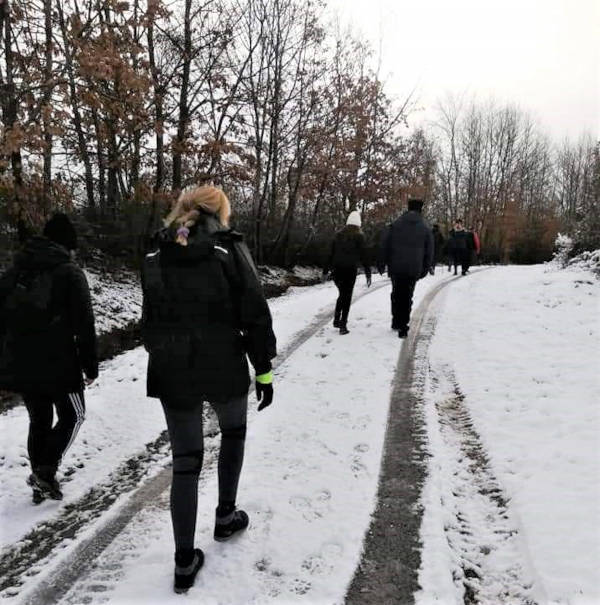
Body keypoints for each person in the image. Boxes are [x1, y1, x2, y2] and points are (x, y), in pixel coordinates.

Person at [141, 185, 277, 594]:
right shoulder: (227, 247)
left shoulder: (156, 250)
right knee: (233, 433)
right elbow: (254, 308)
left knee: (185, 461)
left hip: (171, 364)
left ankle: (184, 561)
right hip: (223, 362)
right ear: (220, 212)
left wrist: (160, 349)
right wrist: (263, 369)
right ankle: (225, 516)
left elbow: (150, 314)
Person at [0, 213, 98, 504]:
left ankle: (41, 479)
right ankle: (45, 471)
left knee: (39, 420)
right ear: (67, 244)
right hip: (61, 363)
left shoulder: (15, 271)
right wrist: (90, 367)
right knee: (74, 415)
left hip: (21, 362)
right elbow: (85, 325)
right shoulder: (69, 273)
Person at [377, 198, 434, 338]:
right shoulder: (425, 228)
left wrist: (382, 263)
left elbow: (384, 244)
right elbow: (429, 250)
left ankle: (396, 321)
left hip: (396, 266)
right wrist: (425, 268)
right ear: (420, 209)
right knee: (408, 295)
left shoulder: (396, 224)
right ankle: (403, 325)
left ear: (408, 208)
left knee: (396, 293)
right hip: (414, 267)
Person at [322, 210, 372, 335]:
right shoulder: (359, 237)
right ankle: (343, 324)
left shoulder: (338, 236)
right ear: (358, 224)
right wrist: (368, 272)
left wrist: (325, 271)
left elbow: (329, 254)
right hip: (350, 271)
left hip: (337, 271)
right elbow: (364, 256)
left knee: (342, 294)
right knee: (346, 296)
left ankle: (336, 319)